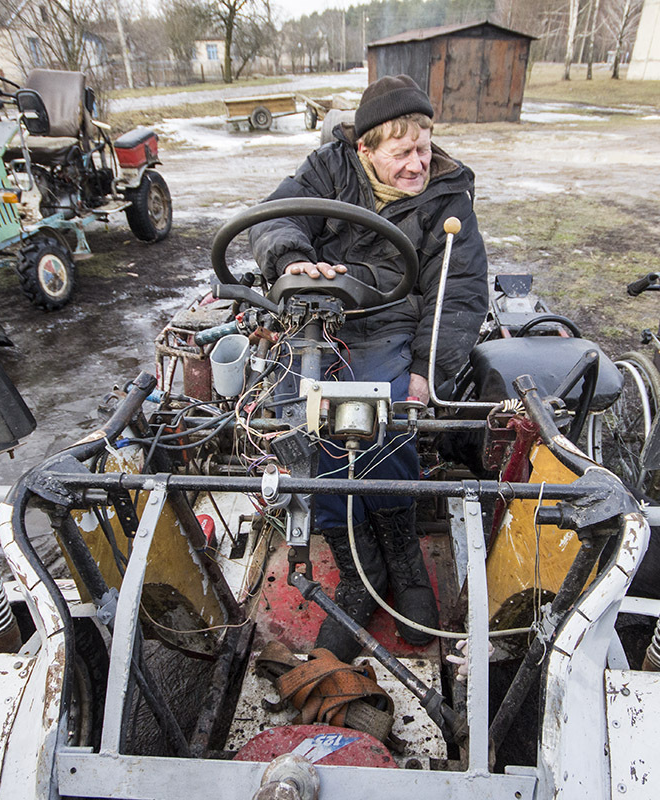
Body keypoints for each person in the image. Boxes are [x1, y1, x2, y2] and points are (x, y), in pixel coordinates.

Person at [249, 75, 489, 661]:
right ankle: (358, 566)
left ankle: (404, 559)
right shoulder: (328, 167)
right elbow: (275, 218)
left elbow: (454, 294)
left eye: (424, 147)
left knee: (381, 407)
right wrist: (297, 262)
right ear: (365, 149)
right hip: (320, 316)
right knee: (300, 415)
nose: (418, 164)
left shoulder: (448, 198)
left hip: (389, 322)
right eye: (402, 151)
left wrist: (430, 371)